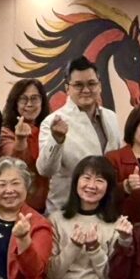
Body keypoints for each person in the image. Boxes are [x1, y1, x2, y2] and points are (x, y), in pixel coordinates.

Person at [37, 57, 121, 213]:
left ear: (100, 85)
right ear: (67, 88)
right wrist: (57, 140)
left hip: (105, 211)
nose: (86, 90)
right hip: (65, 212)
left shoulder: (111, 117)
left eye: (91, 83)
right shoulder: (52, 122)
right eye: (78, 85)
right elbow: (45, 170)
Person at [0, 80, 51, 211]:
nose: (29, 104)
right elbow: (13, 165)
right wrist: (20, 139)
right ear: (15, 103)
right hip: (16, 206)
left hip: (49, 205)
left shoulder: (48, 130)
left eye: (35, 98)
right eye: (23, 99)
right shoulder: (5, 132)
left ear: (42, 102)